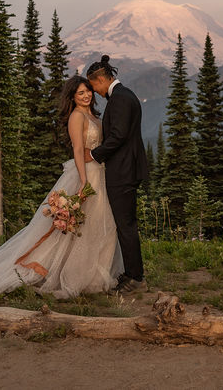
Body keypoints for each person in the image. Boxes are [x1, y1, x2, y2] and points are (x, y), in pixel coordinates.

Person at [0, 76, 123, 299]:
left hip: (100, 172)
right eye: (80, 93)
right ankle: (71, 277)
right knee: (83, 227)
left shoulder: (92, 115)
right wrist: (83, 181)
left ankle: (93, 277)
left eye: (87, 91)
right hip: (87, 174)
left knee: (102, 225)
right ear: (72, 97)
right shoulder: (76, 117)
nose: (86, 96)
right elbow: (77, 150)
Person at [87, 55, 149, 293]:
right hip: (126, 169)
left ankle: (136, 278)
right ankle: (132, 273)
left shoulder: (120, 99)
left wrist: (94, 155)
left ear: (102, 79)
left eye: (94, 87)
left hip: (123, 171)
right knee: (125, 224)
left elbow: (118, 136)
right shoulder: (125, 95)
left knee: (126, 225)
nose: (95, 92)